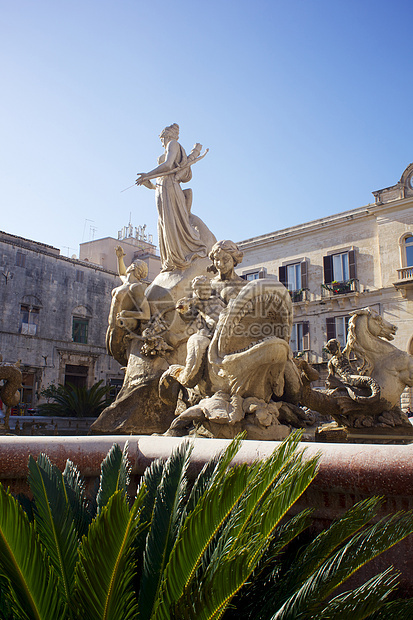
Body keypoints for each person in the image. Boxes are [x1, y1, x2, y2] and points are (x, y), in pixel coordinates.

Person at [135, 124, 209, 272]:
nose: (161, 142)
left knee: (172, 222)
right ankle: (170, 258)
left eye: (162, 138)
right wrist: (148, 183)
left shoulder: (172, 144)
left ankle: (178, 257)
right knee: (164, 224)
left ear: (167, 136)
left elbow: (168, 165)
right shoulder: (169, 146)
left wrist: (148, 174)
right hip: (162, 188)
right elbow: (158, 182)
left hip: (170, 187)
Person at [106, 246, 150, 364]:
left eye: (132, 263)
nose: (129, 265)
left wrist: (127, 313)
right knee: (114, 354)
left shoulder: (136, 287)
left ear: (135, 268)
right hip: (112, 326)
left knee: (121, 357)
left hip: (122, 327)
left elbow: (146, 314)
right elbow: (121, 273)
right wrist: (120, 258)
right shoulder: (126, 283)